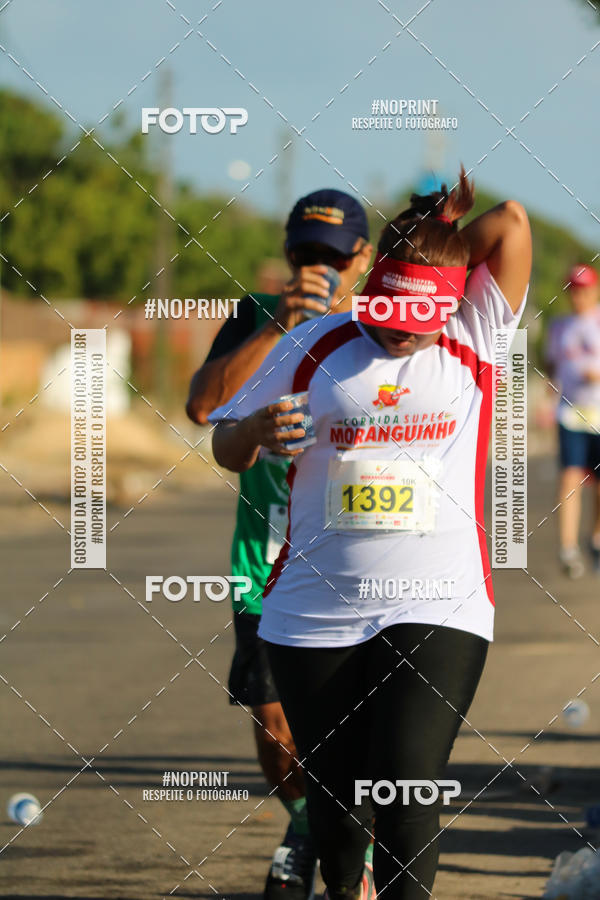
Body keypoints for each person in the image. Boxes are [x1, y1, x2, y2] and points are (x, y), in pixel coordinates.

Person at [209, 169, 531, 900]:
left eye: (419, 317)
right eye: (387, 307)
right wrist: (256, 429)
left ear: (451, 303)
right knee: (338, 819)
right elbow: (224, 444)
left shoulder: (474, 330)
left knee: (409, 796)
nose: (400, 329)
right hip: (312, 612)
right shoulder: (321, 341)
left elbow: (509, 221)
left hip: (439, 603)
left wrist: (437, 252)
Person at [186, 189, 373, 900]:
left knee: (357, 729)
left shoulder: (373, 330)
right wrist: (281, 327)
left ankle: (344, 852)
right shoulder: (254, 316)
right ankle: (305, 820)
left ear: (360, 258)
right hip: (263, 564)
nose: (316, 265)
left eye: (331, 255)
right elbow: (204, 407)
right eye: (304, 252)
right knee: (274, 725)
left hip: (353, 559)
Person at [546, 264, 600, 578]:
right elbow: (552, 366)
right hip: (571, 413)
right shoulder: (558, 326)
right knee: (570, 476)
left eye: (582, 289)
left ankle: (595, 538)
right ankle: (568, 549)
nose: (576, 295)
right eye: (572, 289)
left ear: (593, 290)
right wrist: (548, 393)